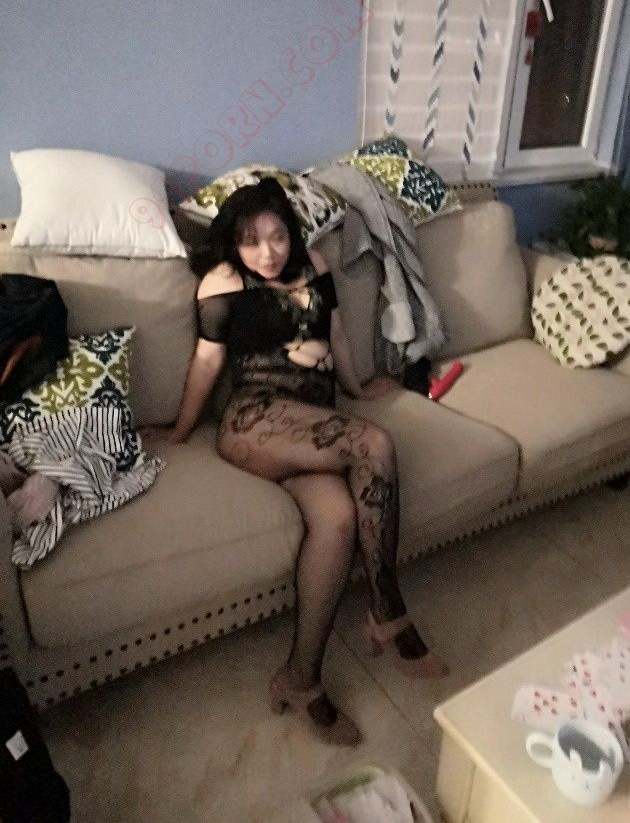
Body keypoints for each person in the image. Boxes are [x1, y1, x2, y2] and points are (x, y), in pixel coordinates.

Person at [151, 177, 448, 746]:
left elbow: (335, 333)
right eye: (251, 240)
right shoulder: (223, 282)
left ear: (292, 233)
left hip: (314, 424)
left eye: (277, 237)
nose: (267, 252)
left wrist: (357, 389)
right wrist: (180, 429)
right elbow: (208, 361)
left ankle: (300, 680)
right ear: (234, 242)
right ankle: (388, 610)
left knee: (337, 521)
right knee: (375, 444)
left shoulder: (315, 264)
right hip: (255, 421)